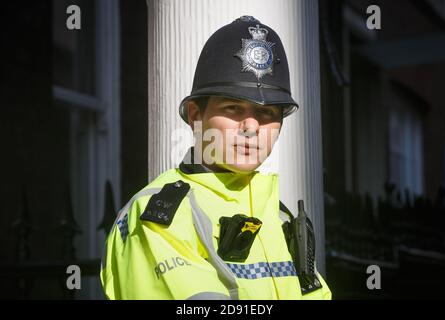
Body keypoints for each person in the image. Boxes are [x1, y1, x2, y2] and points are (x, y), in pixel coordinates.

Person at [100, 16, 332, 300]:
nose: (251, 127)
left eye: (268, 112)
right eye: (234, 108)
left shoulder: (279, 216)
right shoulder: (158, 214)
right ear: (196, 116)